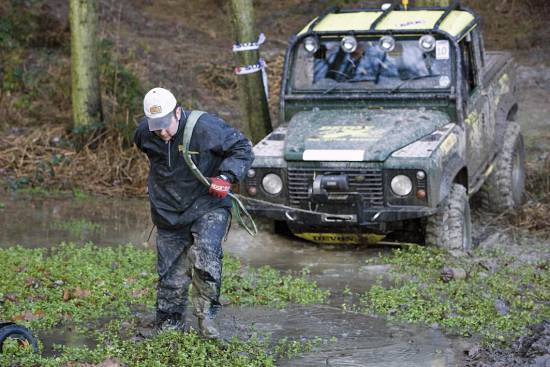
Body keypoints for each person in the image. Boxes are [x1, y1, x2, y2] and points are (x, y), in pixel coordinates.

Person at [134, 87, 254, 339]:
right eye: (156, 127)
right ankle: (169, 323)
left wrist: (226, 176)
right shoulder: (144, 135)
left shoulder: (205, 128)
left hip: (207, 204)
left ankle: (207, 318)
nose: (163, 133)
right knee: (170, 273)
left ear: (178, 112)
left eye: (166, 125)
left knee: (205, 258)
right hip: (168, 210)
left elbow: (243, 148)